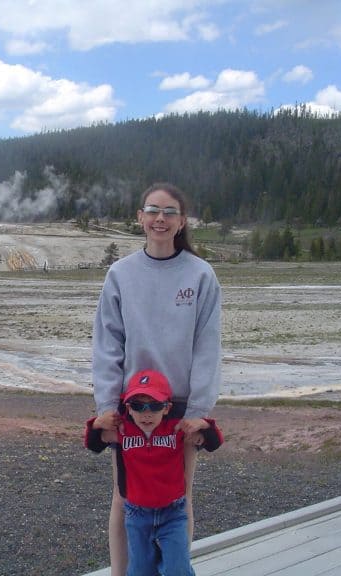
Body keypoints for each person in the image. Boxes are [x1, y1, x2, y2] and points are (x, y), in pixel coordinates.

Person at [92, 182, 222, 575]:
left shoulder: (201, 276)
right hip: (132, 407)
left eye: (169, 212)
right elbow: (107, 344)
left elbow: (207, 346)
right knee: (123, 496)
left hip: (180, 407)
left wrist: (200, 410)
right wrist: (106, 407)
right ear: (140, 218)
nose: (160, 219)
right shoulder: (121, 274)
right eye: (153, 211)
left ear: (182, 221)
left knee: (180, 497)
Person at [85, 369, 223, 576]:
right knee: (141, 570)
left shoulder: (176, 429)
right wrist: (97, 423)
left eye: (155, 406)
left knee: (178, 569)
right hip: (137, 516)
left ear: (167, 408)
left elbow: (214, 442)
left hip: (173, 514)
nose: (146, 413)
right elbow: (93, 444)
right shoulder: (122, 430)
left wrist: (204, 423)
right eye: (138, 406)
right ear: (128, 409)